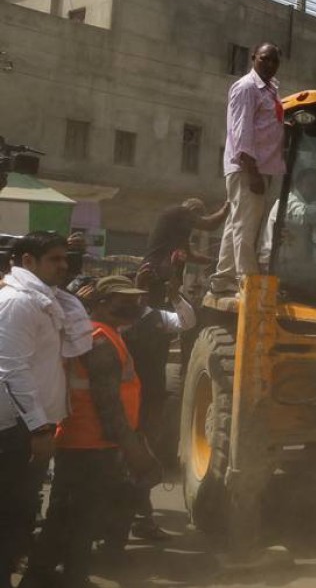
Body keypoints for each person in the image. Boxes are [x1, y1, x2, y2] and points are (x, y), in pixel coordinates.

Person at [23, 276, 161, 587]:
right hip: (91, 443)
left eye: (136, 299)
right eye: (123, 300)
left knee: (71, 514)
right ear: (100, 304)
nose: (133, 305)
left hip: (81, 439)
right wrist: (131, 447)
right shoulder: (100, 340)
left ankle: (55, 575)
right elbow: (107, 402)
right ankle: (57, 577)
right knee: (79, 517)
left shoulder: (95, 334)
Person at [0, 232, 93, 583]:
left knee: (20, 515)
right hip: (16, 430)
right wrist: (39, 428)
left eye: (64, 259)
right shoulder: (18, 303)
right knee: (9, 515)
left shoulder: (47, 302)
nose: (64, 266)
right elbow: (10, 368)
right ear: (28, 262)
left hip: (32, 428)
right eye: (54, 259)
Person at [116, 266, 194, 541]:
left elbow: (187, 321)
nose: (143, 292)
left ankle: (141, 517)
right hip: (120, 400)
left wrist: (176, 296)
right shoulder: (119, 320)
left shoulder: (158, 317)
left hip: (150, 398)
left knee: (143, 455)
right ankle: (122, 520)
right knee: (121, 458)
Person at [209, 43, 285, 298]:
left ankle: (223, 278)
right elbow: (241, 133)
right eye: (265, 59)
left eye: (274, 61)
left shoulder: (271, 89)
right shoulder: (246, 88)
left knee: (236, 223)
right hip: (248, 167)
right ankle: (247, 281)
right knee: (246, 225)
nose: (270, 65)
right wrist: (251, 171)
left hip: (261, 167)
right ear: (254, 58)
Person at [143, 198, 228, 302]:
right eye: (197, 217)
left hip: (154, 273)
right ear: (193, 211)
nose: (195, 222)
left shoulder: (180, 229)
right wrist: (228, 205)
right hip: (156, 272)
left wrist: (213, 261)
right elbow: (210, 224)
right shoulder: (181, 211)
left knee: (155, 306)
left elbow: (190, 255)